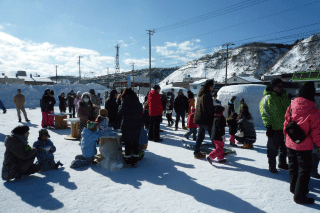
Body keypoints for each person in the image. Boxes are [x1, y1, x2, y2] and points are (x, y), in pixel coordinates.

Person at [284, 81, 320, 205]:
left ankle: (294, 189)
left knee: (293, 166)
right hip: (304, 145)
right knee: (304, 170)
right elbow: (316, 132)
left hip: (290, 142)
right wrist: (319, 145)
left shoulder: (291, 106)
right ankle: (300, 196)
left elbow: (286, 124)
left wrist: (286, 137)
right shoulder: (314, 111)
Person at [260, 78, 290, 173]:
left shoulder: (285, 97)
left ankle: (282, 163)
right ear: (273, 87)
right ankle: (272, 166)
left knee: (284, 148)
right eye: (278, 86)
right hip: (274, 128)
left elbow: (290, 111)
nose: (281, 88)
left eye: (282, 86)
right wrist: (268, 126)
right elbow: (264, 113)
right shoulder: (268, 98)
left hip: (285, 128)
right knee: (272, 149)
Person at [118, 88, 143, 167]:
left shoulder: (125, 102)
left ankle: (128, 161)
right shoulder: (137, 102)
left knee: (128, 143)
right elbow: (141, 112)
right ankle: (134, 161)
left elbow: (120, 114)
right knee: (135, 143)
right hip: (137, 125)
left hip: (127, 125)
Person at [193, 80, 215, 159]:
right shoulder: (207, 95)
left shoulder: (200, 93)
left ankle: (196, 152)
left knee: (200, 136)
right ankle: (219, 153)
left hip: (199, 118)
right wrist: (214, 115)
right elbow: (209, 109)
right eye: (213, 86)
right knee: (213, 136)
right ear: (210, 86)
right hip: (206, 119)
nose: (213, 87)